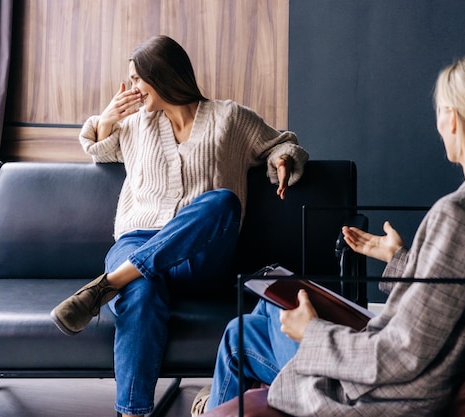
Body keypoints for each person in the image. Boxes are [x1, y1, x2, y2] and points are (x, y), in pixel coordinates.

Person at [195, 50, 465, 416]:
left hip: (381, 394)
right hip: (405, 375)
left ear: (451, 119)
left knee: (240, 334)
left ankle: (220, 404)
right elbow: (453, 295)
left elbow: (399, 355)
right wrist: (398, 258)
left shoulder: (459, 214)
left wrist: (312, 332)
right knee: (267, 306)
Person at [49, 35, 309, 417]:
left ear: (163, 76)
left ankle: (109, 284)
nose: (133, 88)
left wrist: (284, 159)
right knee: (141, 288)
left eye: (138, 79)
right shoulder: (136, 124)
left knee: (223, 201)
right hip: (136, 241)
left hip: (198, 256)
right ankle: (133, 412)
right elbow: (99, 149)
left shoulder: (229, 117)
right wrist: (107, 119)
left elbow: (280, 142)